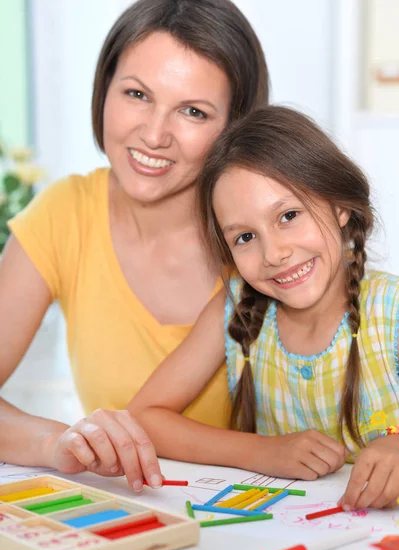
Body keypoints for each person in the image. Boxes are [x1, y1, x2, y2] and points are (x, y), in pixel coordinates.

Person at [0, 0, 269, 491]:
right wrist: (60, 442)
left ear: (236, 127)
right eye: (137, 94)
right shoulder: (65, 214)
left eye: (193, 111)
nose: (154, 133)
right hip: (137, 524)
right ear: (105, 90)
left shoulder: (267, 235)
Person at [131, 105, 399, 510]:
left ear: (340, 206)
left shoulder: (390, 309)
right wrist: (261, 452)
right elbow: (145, 415)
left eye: (288, 215)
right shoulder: (236, 308)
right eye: (244, 237)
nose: (274, 253)